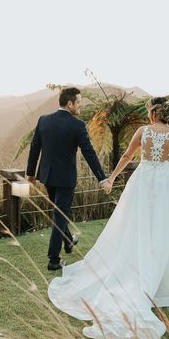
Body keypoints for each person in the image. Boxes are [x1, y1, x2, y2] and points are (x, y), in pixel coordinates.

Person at [47, 97, 169, 339]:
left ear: (153, 114)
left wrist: (112, 178)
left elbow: (126, 156)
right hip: (167, 184)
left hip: (143, 182)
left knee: (134, 225)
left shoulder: (143, 131)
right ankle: (154, 274)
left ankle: (140, 269)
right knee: (164, 229)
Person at [26, 87, 107, 271]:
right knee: (59, 216)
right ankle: (53, 259)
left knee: (58, 213)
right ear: (70, 103)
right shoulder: (77, 125)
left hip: (47, 176)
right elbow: (89, 153)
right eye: (78, 102)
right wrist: (102, 178)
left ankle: (69, 240)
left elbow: (34, 148)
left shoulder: (43, 120)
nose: (80, 105)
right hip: (66, 179)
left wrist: (30, 173)